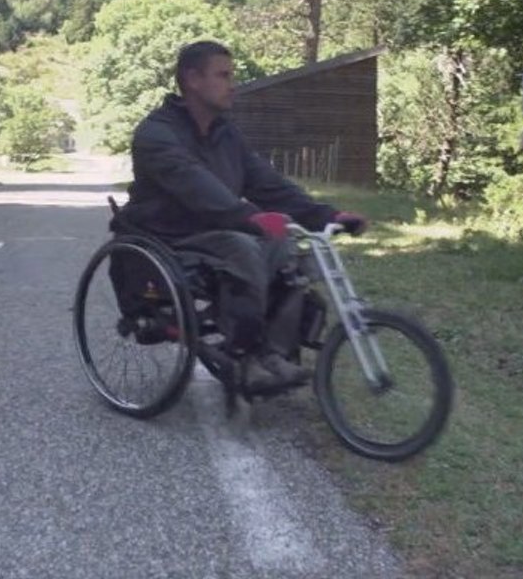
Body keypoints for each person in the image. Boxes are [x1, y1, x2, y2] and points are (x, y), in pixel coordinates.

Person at [114, 40, 367, 393]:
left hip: (215, 228)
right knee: (243, 248)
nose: (232, 84)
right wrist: (249, 217)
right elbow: (196, 185)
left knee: (284, 248)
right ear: (193, 79)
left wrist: (327, 215)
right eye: (223, 75)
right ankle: (242, 355)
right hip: (168, 235)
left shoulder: (225, 133)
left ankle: (274, 353)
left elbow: (267, 183)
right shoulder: (156, 134)